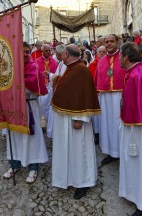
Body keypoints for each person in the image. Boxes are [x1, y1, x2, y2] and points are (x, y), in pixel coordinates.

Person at [51, 44, 100, 199]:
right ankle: (70, 178)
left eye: (62, 54)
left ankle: (83, 182)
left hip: (75, 120)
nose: (60, 56)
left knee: (79, 151)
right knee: (68, 150)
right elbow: (70, 89)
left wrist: (80, 118)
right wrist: (54, 78)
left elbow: (84, 95)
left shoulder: (81, 70)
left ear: (65, 54)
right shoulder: (71, 68)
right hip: (66, 118)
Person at [119, 42, 142, 216]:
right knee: (136, 163)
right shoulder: (133, 73)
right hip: (134, 125)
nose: (119, 58)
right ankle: (136, 194)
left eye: (121, 55)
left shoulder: (138, 75)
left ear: (126, 57)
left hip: (141, 129)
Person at [3, 42, 48, 183]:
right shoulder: (10, 67)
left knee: (31, 138)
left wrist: (18, 84)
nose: (25, 54)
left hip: (29, 106)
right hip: (14, 107)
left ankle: (33, 167)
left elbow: (35, 88)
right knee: (15, 136)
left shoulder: (34, 67)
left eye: (28, 51)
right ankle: (14, 164)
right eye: (22, 51)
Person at [94, 34, 126, 165]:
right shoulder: (101, 61)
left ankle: (122, 151)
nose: (109, 44)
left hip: (120, 95)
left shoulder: (124, 58)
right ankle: (111, 152)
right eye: (106, 42)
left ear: (117, 42)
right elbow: (97, 80)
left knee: (119, 124)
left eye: (111, 41)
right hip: (105, 98)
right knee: (107, 125)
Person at [46, 44, 67, 138]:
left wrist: (50, 75)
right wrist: (50, 75)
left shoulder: (66, 64)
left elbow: (62, 78)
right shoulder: (61, 63)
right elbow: (57, 76)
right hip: (57, 92)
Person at [88, 45, 107, 144]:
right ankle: (97, 135)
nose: (102, 54)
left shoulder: (109, 63)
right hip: (95, 94)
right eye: (100, 52)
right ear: (97, 53)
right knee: (96, 117)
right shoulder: (92, 65)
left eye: (104, 52)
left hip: (105, 94)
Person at [36, 44, 58, 123]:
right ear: (42, 52)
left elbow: (56, 75)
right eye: (46, 51)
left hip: (51, 87)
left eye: (49, 50)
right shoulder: (37, 62)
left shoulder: (54, 61)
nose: (49, 52)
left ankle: (50, 124)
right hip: (42, 87)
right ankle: (40, 124)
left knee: (50, 107)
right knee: (41, 107)